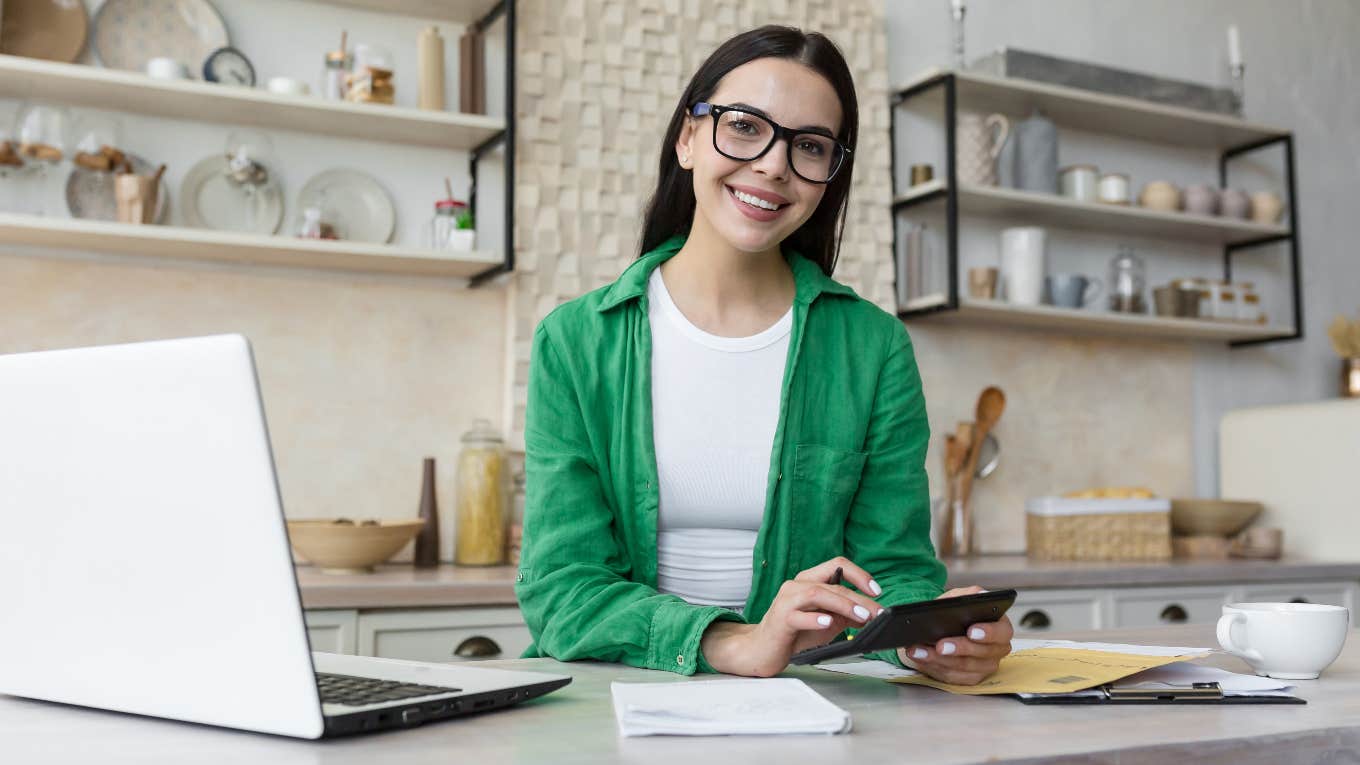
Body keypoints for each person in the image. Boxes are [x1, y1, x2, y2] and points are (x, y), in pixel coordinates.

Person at [515, 25, 1012, 683]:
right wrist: (735, 641)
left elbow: (890, 571)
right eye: (745, 126)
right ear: (688, 138)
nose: (774, 164)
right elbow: (561, 588)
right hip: (621, 692)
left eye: (809, 146)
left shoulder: (874, 347)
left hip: (810, 697)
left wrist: (931, 636)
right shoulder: (576, 341)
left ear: (829, 177)